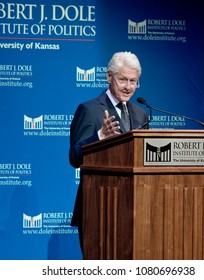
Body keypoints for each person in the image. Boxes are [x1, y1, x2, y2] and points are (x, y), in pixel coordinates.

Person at [68, 51, 149, 253]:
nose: (128, 87)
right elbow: (74, 157)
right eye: (122, 80)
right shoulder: (90, 109)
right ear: (109, 76)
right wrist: (99, 136)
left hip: (136, 207)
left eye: (133, 81)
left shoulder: (141, 114)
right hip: (99, 205)